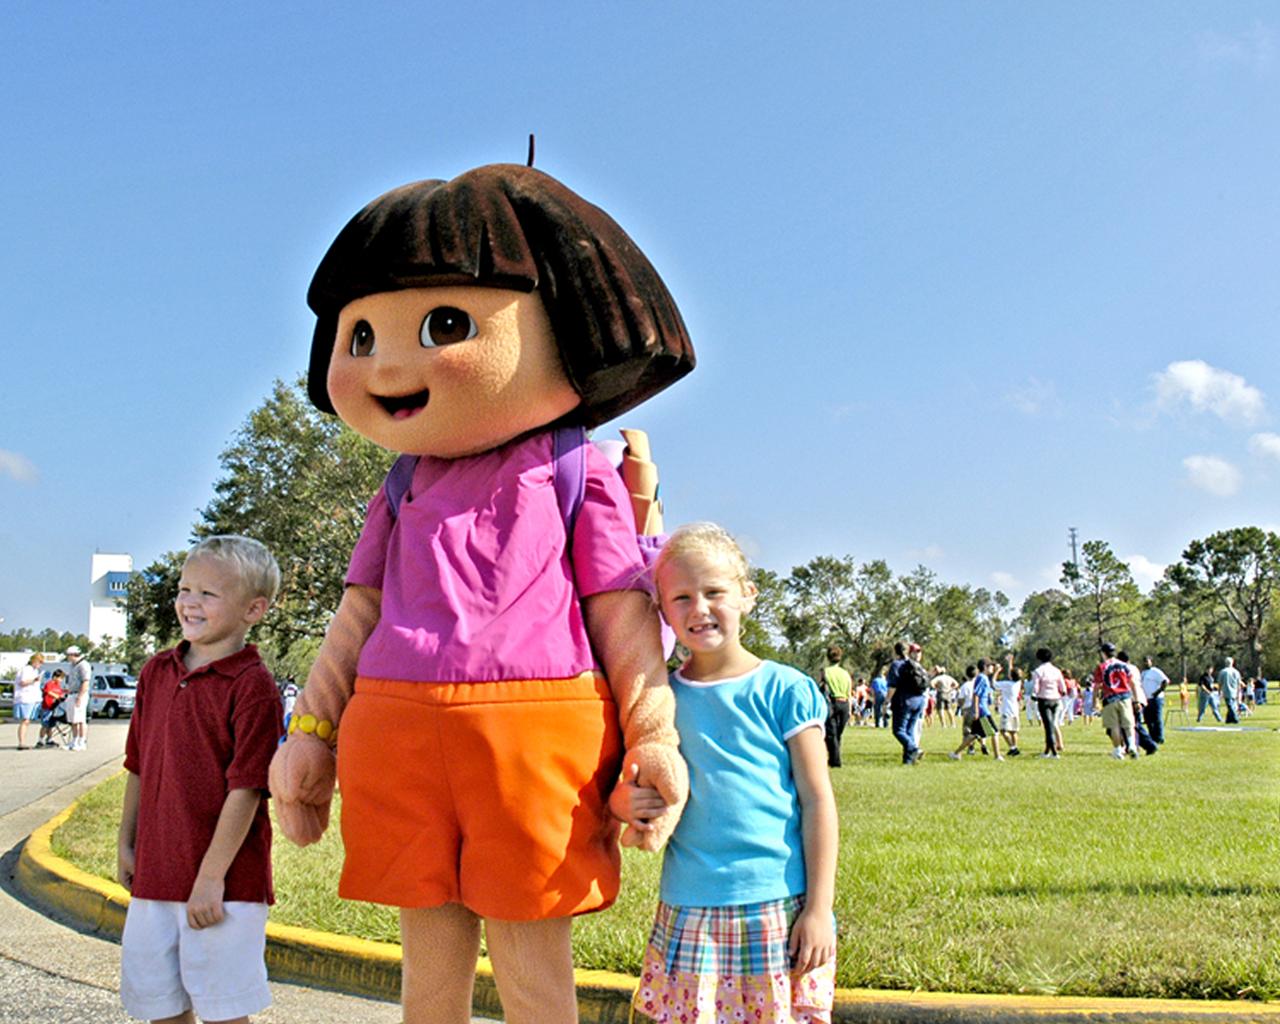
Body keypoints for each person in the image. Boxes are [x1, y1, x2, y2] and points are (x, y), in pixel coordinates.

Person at [268, 164, 696, 1024]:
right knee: (427, 973)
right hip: (397, 732)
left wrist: (653, 733)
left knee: (533, 966)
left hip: (532, 739)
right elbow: (358, 615)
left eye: (445, 324)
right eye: (361, 338)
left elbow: (621, 613)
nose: (389, 362)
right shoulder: (399, 485)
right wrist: (310, 735)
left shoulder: (575, 469)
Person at [610, 523, 837, 1024]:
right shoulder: (658, 699)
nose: (700, 609)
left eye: (715, 592)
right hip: (690, 904)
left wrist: (819, 909)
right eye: (682, 597)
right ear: (662, 611)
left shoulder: (785, 689)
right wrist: (624, 805)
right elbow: (624, 782)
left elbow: (817, 800)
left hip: (777, 903)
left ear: (747, 595)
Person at [117, 535, 284, 1024]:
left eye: (208, 594)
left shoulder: (254, 686)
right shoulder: (156, 673)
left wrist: (210, 879)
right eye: (185, 588)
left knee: (222, 1010)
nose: (189, 602)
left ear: (253, 609)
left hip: (224, 887)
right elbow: (138, 766)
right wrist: (127, 844)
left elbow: (247, 789)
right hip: (156, 872)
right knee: (159, 1004)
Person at [1093, 643, 1140, 759]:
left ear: (1104, 653)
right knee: (1128, 724)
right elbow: (1132, 683)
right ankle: (1132, 746)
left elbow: (1097, 685)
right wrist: (1137, 700)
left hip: (1110, 698)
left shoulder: (1102, 667)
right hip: (1125, 696)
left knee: (1114, 726)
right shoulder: (1124, 665)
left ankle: (1118, 749)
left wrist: (1095, 701)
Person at [886, 641, 929, 765]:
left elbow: (893, 685)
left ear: (895, 652)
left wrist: (887, 701)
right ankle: (908, 761)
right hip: (919, 700)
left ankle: (915, 749)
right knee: (909, 730)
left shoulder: (897, 665)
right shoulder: (915, 665)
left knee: (898, 730)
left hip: (905, 701)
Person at [819, 645, 853, 768]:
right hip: (844, 703)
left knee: (831, 734)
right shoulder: (845, 674)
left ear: (828, 657)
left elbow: (820, 688)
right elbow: (849, 692)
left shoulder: (825, 671)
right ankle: (835, 758)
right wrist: (850, 709)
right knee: (838, 734)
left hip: (831, 703)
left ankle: (835, 761)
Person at [1029, 648, 1065, 758]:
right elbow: (1063, 688)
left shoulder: (1038, 671)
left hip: (1044, 700)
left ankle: (1054, 752)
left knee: (1048, 727)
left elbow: (1036, 687)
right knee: (1052, 725)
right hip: (1056, 699)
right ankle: (1046, 751)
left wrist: (1034, 695)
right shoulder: (1056, 670)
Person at [12, 653, 44, 750]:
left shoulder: (35, 670)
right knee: (25, 720)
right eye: (40, 662)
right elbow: (23, 682)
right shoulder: (26, 669)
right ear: (34, 661)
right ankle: (21, 742)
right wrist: (34, 680)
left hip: (32, 698)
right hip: (25, 698)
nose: (40, 664)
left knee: (27, 720)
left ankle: (22, 742)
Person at [63, 645, 91, 752]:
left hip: (79, 694)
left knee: (80, 719)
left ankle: (82, 741)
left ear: (73, 655)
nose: (68, 657)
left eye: (69, 655)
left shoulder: (83, 665)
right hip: (71, 693)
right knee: (73, 719)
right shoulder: (72, 666)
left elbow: (85, 681)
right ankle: (74, 740)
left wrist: (80, 696)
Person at [1140, 656, 1169, 745]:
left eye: (1147, 661)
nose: (1146, 663)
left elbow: (1165, 681)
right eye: (1144, 661)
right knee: (1148, 719)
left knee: (1157, 718)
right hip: (1146, 699)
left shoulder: (1155, 671)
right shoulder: (1143, 673)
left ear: (1151, 662)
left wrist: (1158, 692)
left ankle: (1159, 738)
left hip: (1156, 699)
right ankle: (1152, 737)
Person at [994, 666, 1023, 756]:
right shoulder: (1018, 683)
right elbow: (1012, 674)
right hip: (1015, 710)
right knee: (1013, 731)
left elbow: (994, 684)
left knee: (1003, 731)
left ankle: (1013, 748)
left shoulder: (1007, 684)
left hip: (1007, 710)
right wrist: (1010, 662)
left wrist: (997, 672)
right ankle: (1014, 747)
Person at [37, 669, 68, 748]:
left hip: (53, 708)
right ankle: (40, 740)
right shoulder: (49, 684)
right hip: (47, 707)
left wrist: (62, 698)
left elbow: (60, 694)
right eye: (60, 678)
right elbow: (48, 692)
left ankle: (49, 739)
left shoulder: (58, 686)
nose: (61, 680)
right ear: (55, 677)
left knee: (51, 725)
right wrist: (56, 696)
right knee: (45, 724)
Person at [1217, 657, 1243, 724]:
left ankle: (1235, 718)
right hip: (1234, 690)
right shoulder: (1236, 672)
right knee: (1232, 705)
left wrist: (1219, 691)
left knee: (1230, 705)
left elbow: (1220, 683)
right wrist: (1239, 691)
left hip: (1226, 690)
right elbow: (1239, 682)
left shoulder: (1223, 671)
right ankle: (1228, 720)